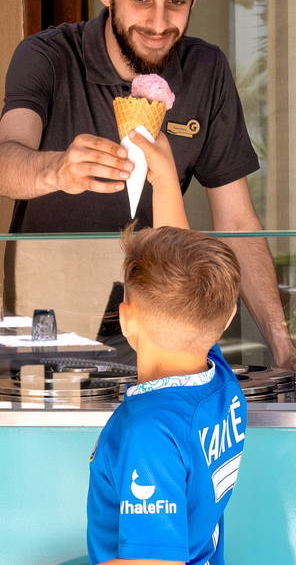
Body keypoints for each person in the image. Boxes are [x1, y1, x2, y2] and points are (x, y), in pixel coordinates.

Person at [0, 0, 296, 376]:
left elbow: (236, 221)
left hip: (158, 326)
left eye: (176, 1)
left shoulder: (206, 69)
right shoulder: (48, 55)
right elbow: (2, 167)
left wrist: (283, 349)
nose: (159, 23)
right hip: (46, 322)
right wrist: (56, 169)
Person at [85, 182, 246, 564]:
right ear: (227, 319)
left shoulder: (149, 432)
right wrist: (163, 174)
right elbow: (191, 288)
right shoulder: (219, 381)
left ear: (125, 319)